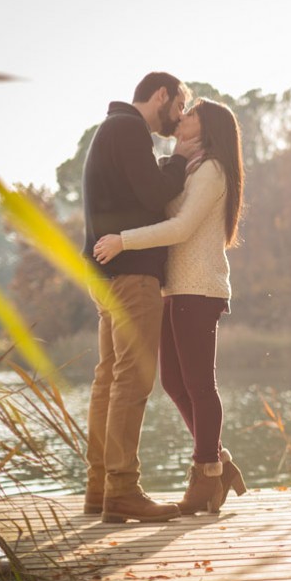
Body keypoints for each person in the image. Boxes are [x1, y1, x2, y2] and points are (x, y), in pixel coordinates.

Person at [93, 98, 247, 515]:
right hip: (174, 289)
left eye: (191, 112)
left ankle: (206, 474)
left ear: (207, 125)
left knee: (198, 384)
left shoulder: (213, 170)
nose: (182, 117)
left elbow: (179, 228)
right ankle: (218, 463)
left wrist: (123, 239)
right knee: (174, 384)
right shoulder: (191, 167)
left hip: (200, 288)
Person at [82, 72, 201, 523]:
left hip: (105, 274)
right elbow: (154, 192)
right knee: (132, 381)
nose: (178, 116)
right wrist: (179, 158)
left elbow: (137, 196)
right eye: (179, 105)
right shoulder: (129, 129)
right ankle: (123, 491)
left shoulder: (110, 129)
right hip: (131, 275)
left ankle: (100, 489)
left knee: (109, 379)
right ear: (161, 95)